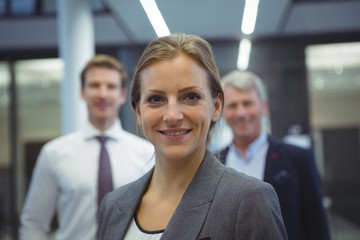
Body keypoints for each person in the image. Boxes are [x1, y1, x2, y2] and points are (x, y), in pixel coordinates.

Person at [97, 33, 288, 240]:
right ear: (139, 113)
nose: (172, 116)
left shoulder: (248, 200)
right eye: (156, 99)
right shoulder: (113, 206)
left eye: (190, 97)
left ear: (215, 107)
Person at [19, 54, 154, 240]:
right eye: (94, 85)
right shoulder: (54, 153)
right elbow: (33, 223)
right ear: (82, 92)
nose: (103, 94)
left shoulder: (147, 153)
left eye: (111, 86)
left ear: (122, 94)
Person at [216, 70, 330, 240]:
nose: (241, 113)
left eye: (248, 103)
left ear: (264, 107)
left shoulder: (298, 158)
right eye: (233, 106)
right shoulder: (214, 163)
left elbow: (317, 225)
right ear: (223, 112)